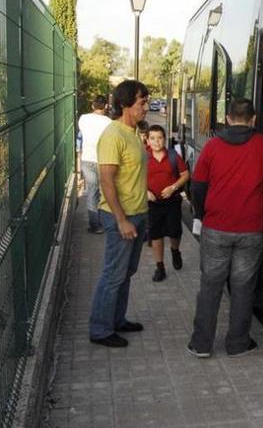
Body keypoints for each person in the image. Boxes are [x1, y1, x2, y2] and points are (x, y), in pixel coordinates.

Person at [188, 98, 263, 359]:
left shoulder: (212, 146)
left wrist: (203, 215)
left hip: (216, 226)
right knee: (243, 287)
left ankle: (201, 344)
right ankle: (237, 343)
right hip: (251, 228)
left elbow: (198, 186)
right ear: (253, 119)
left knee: (210, 286)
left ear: (227, 118)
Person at [88, 80, 150, 348]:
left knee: (127, 271)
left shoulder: (133, 132)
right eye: (141, 102)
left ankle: (117, 319)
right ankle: (100, 329)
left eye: (146, 101)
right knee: (113, 273)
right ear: (125, 104)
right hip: (120, 218)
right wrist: (121, 219)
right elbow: (106, 180)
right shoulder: (113, 135)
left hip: (138, 214)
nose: (146, 107)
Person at [146, 124, 189, 282]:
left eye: (159, 138)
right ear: (147, 140)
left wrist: (173, 187)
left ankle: (175, 250)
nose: (156, 142)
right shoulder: (143, 157)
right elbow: (136, 179)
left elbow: (185, 175)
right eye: (153, 138)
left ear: (164, 139)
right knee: (155, 234)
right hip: (153, 203)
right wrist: (146, 192)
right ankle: (160, 266)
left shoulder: (172, 156)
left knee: (175, 231)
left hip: (172, 201)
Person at [77, 95, 112, 233]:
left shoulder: (83, 119)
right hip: (104, 160)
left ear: (92, 106)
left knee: (92, 191)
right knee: (105, 191)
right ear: (106, 106)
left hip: (87, 159)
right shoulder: (109, 122)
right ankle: (106, 222)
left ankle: (95, 225)